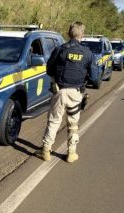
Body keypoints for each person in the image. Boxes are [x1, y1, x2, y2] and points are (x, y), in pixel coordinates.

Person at [37, 21, 98, 163]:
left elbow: (49, 69)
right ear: (82, 35)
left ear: (69, 33)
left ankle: (46, 151)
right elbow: (95, 77)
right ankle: (71, 153)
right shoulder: (88, 53)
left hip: (59, 91)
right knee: (73, 124)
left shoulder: (60, 49)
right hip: (76, 93)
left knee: (54, 121)